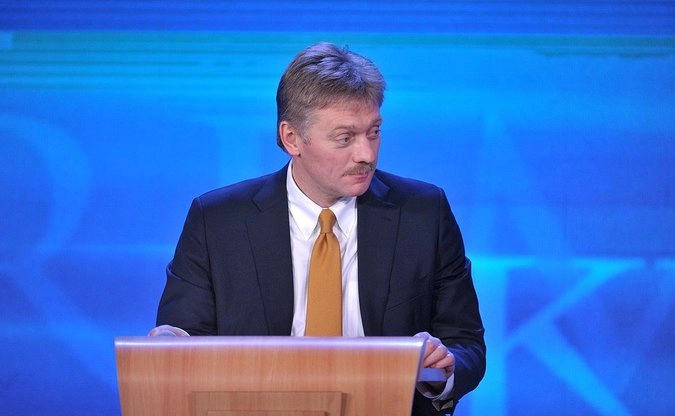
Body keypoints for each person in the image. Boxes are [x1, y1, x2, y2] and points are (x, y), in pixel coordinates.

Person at [149, 42, 485, 415]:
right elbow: (182, 341)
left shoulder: (423, 213)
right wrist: (171, 343)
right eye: (345, 138)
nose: (366, 154)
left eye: (373, 132)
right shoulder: (217, 221)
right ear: (292, 138)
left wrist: (440, 369)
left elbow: (465, 343)